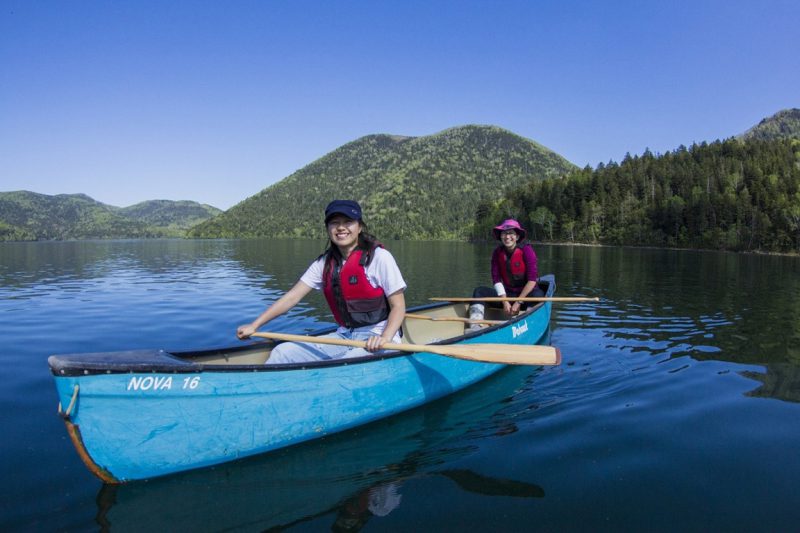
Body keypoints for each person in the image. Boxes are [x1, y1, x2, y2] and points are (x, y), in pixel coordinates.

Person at [237, 200, 407, 364]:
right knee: (283, 353)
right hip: (345, 335)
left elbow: (398, 306)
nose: (341, 227)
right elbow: (292, 297)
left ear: (359, 226)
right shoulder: (324, 264)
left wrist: (384, 338)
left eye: (348, 221)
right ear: (328, 228)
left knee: (347, 363)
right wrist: (255, 325)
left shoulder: (379, 258)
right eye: (334, 223)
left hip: (379, 336)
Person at [469, 218, 544, 325]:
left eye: (511, 233)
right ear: (500, 236)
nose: (507, 237)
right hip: (508, 295)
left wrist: (518, 302)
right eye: (504, 233)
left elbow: (532, 280)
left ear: (517, 237)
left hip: (526, 296)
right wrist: (505, 302)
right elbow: (496, 279)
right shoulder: (497, 253)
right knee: (479, 291)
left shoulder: (527, 250)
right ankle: (475, 324)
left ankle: (527, 321)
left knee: (538, 295)